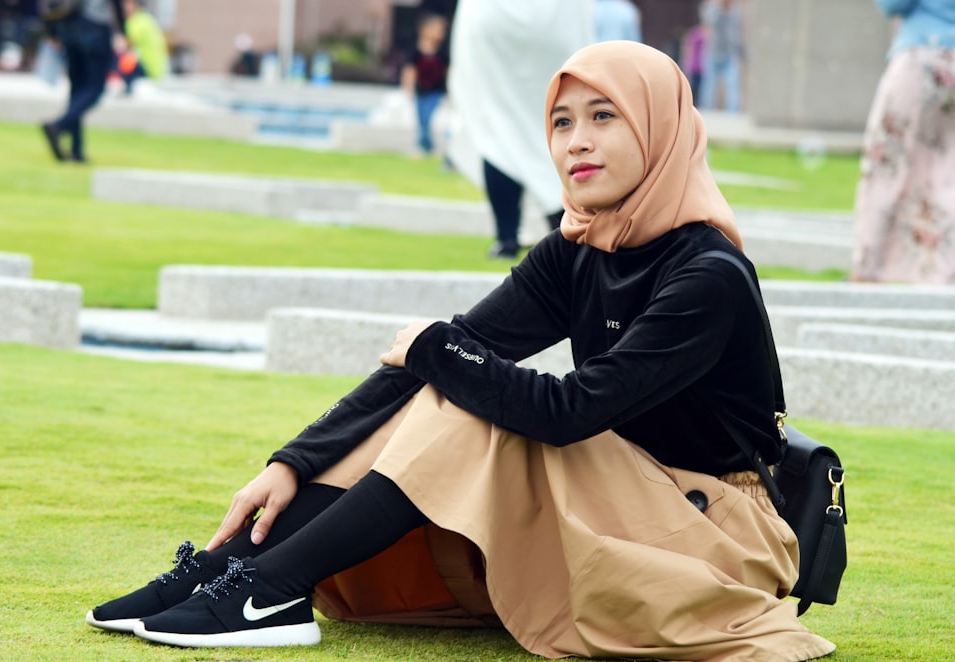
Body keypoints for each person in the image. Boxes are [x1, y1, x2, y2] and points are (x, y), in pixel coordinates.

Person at [84, 41, 837, 660]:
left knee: (467, 394)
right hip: (626, 501)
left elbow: (572, 410)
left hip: (716, 534)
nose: (577, 141)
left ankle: (271, 588)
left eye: (604, 116)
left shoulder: (709, 275)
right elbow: (439, 361)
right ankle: (228, 571)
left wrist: (438, 350)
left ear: (661, 127)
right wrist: (292, 461)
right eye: (562, 121)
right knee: (453, 383)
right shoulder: (576, 250)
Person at [447, 0, 592, 259]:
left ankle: (507, 237)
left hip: (493, 27)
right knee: (554, 130)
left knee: (497, 138)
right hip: (553, 29)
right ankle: (563, 229)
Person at [852, 0, 955, 284]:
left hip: (923, 53)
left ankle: (867, 272)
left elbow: (892, 4)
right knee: (948, 178)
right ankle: (943, 279)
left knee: (886, 167)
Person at [39, 0, 125, 163]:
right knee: (95, 89)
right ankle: (59, 126)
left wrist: (51, 31)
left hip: (67, 26)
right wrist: (123, 30)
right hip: (95, 28)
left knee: (77, 90)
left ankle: (77, 150)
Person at [400, 12, 449, 158]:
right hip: (421, 91)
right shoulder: (416, 52)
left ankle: (425, 145)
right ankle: (425, 145)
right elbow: (410, 71)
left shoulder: (442, 53)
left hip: (436, 91)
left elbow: (447, 72)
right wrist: (408, 89)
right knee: (421, 118)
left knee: (428, 117)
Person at [113, 0, 168, 94]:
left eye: (127, 4)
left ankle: (128, 86)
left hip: (147, 64)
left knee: (119, 59)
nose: (124, 7)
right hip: (155, 65)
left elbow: (124, 44)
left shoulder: (137, 20)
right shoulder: (145, 17)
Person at [699, 0, 744, 112]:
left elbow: (736, 33)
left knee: (733, 84)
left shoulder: (736, 11)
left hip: (729, 54)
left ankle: (733, 113)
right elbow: (709, 21)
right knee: (709, 85)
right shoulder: (713, 8)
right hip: (713, 53)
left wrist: (741, 51)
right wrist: (720, 9)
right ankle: (706, 112)